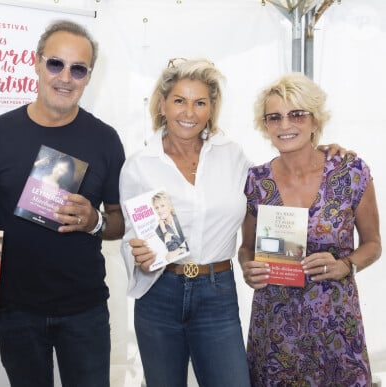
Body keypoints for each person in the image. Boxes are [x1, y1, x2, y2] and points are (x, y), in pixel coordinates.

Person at [119, 58, 348, 387]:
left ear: (211, 109)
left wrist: (319, 152)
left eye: (200, 103)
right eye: (179, 101)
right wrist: (138, 255)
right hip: (159, 294)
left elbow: (274, 181)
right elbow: (130, 237)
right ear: (162, 104)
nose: (189, 112)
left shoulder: (232, 155)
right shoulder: (139, 166)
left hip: (216, 292)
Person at [0, 20, 125, 387]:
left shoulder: (105, 140)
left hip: (84, 309)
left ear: (88, 77)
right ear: (36, 62)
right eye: (56, 64)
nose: (65, 77)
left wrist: (95, 222)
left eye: (78, 69)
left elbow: (120, 221)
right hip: (16, 308)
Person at [238, 72, 381, 386]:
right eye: (274, 117)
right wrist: (248, 269)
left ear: (316, 121)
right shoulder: (255, 182)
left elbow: (373, 244)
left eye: (297, 115)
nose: (285, 125)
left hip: (336, 330)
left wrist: (346, 264)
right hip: (275, 332)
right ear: (265, 126)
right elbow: (246, 247)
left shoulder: (350, 173)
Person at [152, 191, 188, 261]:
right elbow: (172, 249)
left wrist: (178, 251)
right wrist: (164, 231)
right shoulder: (159, 229)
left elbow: (191, 242)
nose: (159, 210)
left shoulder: (180, 217)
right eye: (156, 208)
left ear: (169, 206)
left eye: (162, 206)